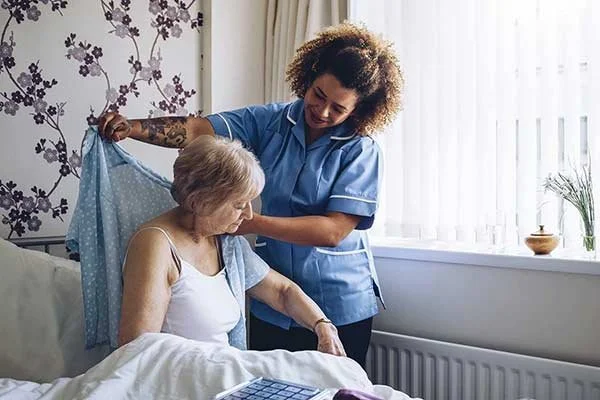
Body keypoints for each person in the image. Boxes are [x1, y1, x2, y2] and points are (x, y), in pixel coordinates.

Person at [100, 22, 403, 367]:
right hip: (272, 305)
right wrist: (132, 128)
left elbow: (332, 231)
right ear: (309, 77)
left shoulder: (361, 151)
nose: (322, 111)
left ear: (358, 111)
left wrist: (244, 220)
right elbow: (199, 130)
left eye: (338, 108)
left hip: (339, 301)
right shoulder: (270, 121)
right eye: (319, 95)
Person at [118, 134, 345, 358]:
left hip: (221, 374)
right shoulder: (156, 245)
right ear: (200, 202)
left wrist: (322, 325)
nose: (248, 214)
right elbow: (138, 350)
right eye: (239, 205)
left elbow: (282, 292)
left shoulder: (226, 242)